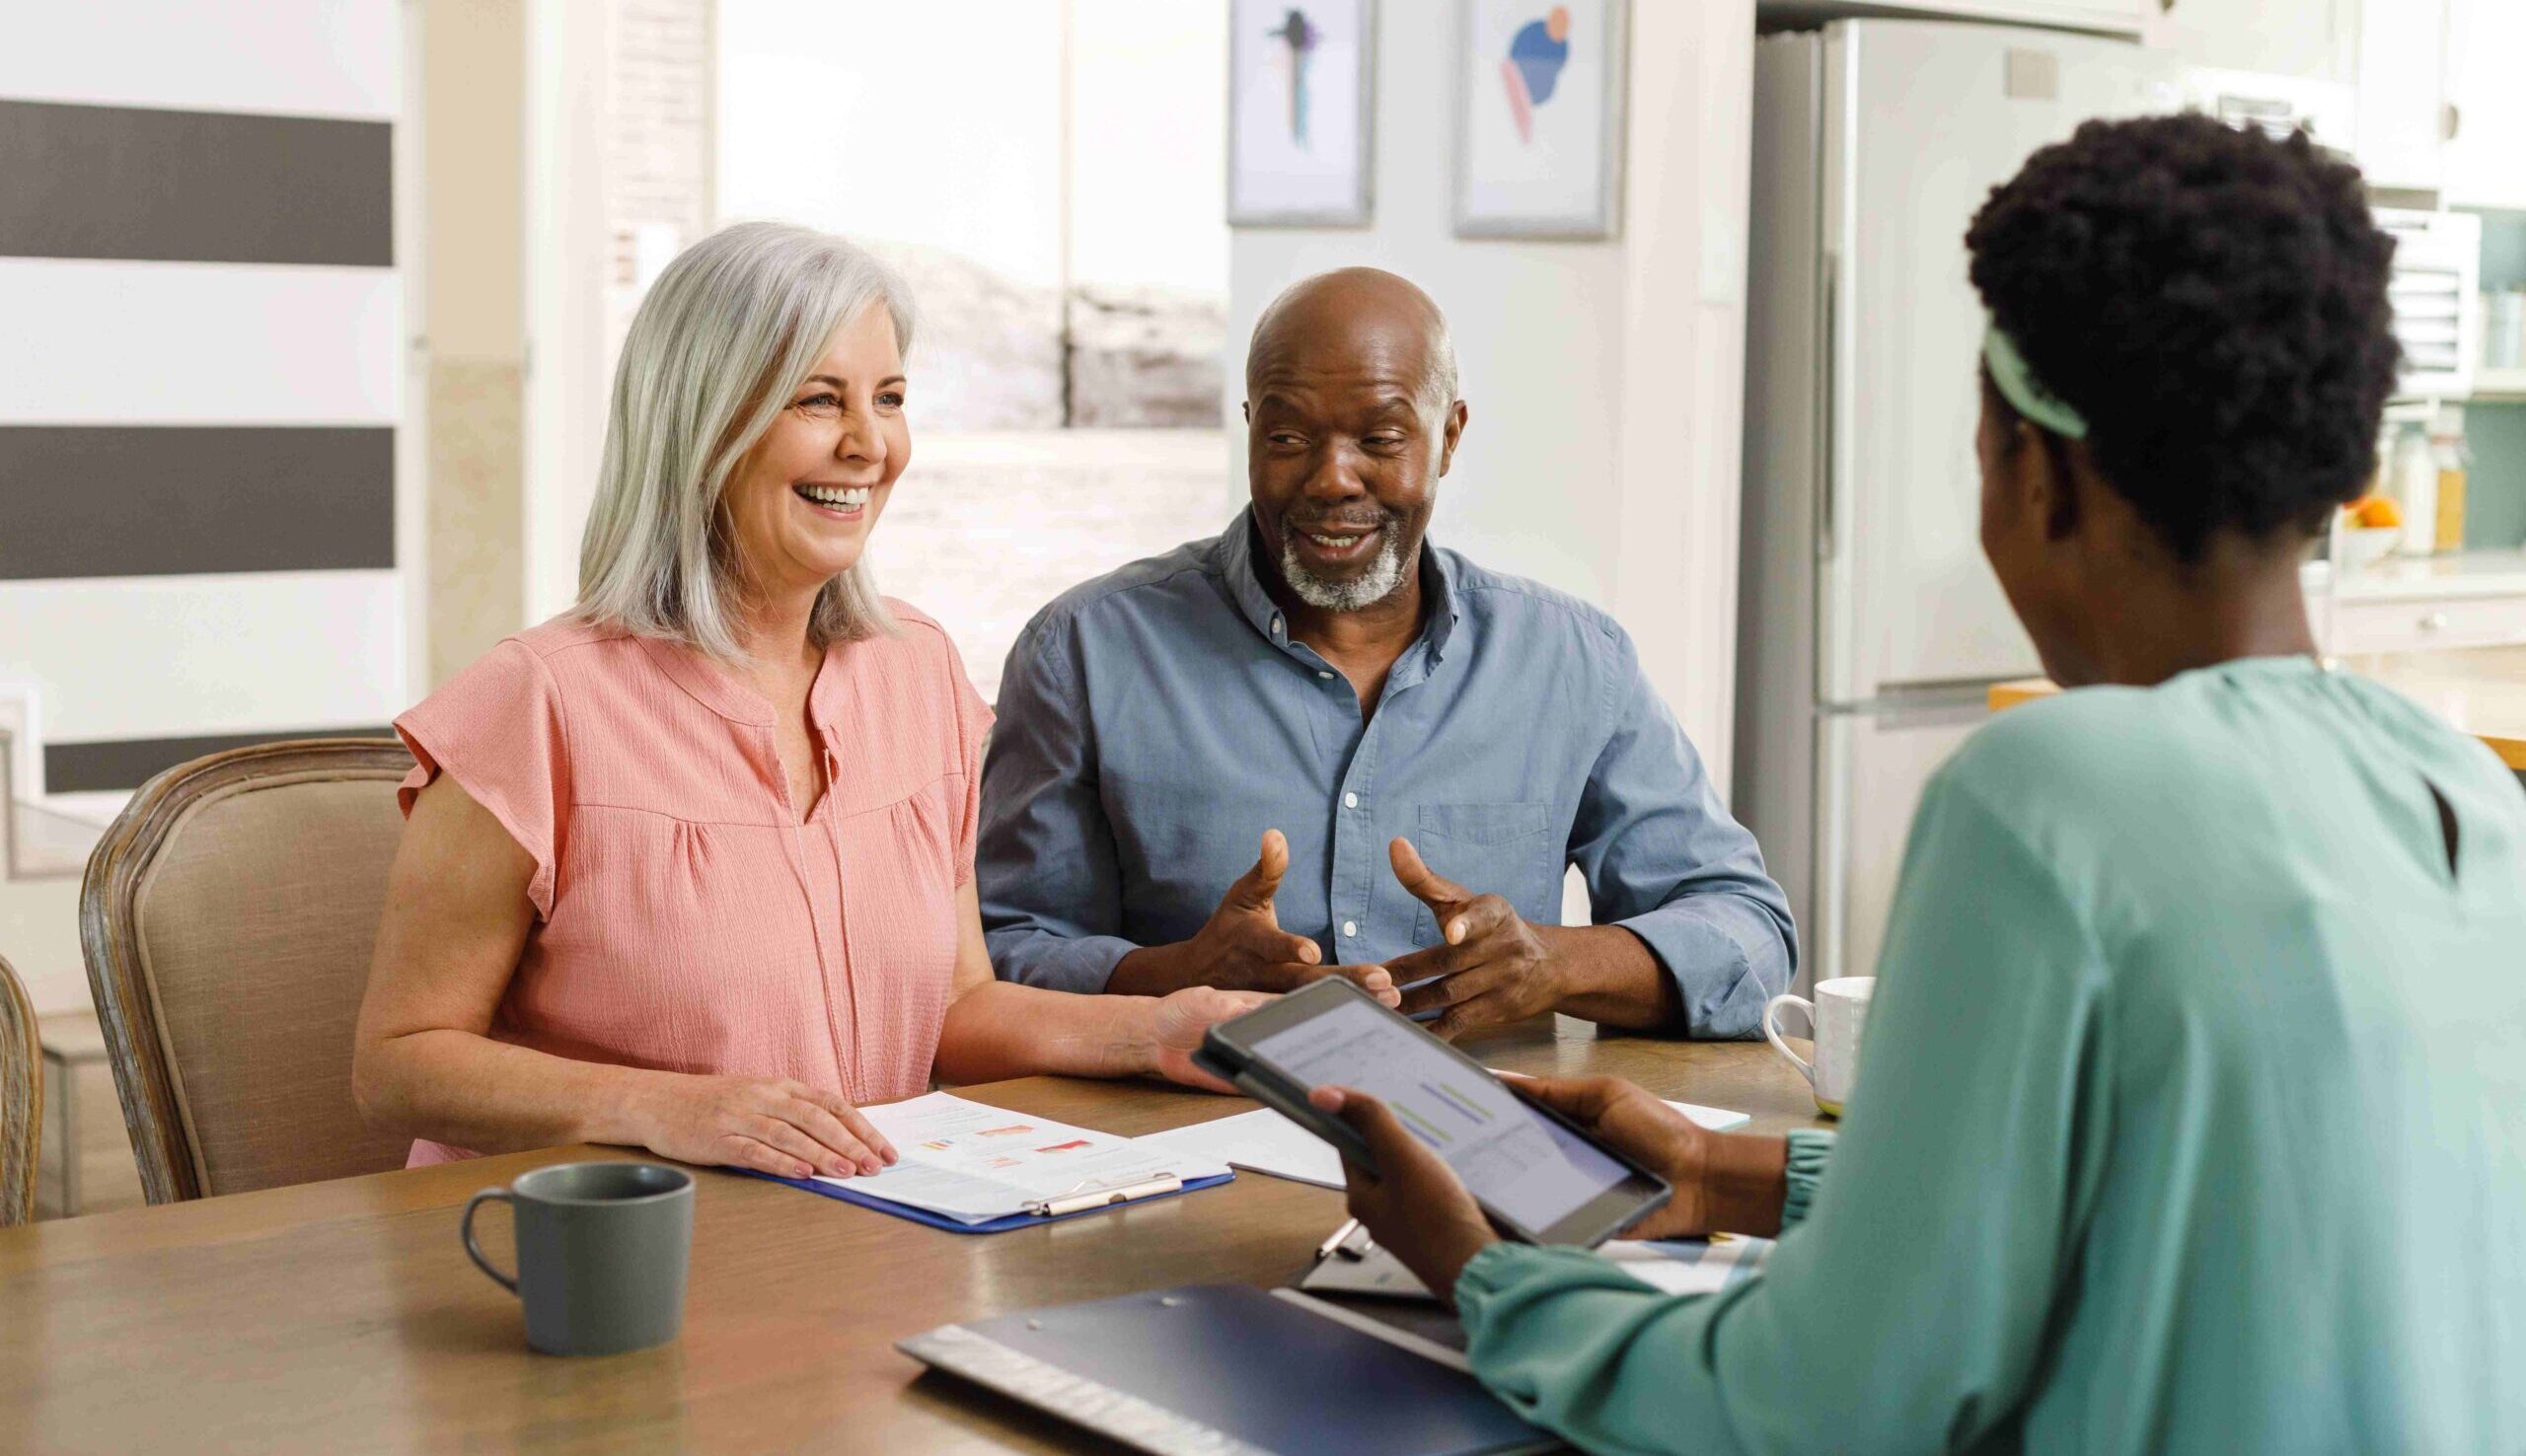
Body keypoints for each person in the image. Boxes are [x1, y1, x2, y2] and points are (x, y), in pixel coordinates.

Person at [1311, 115, 2526, 1452]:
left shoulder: (2052, 800)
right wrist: (1728, 1167)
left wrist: (1487, 1277)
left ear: (2039, 471)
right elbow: (2211, 1204)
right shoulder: (2460, 793)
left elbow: (1823, 1403)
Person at [351, 224, 1312, 1181]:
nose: (869, 445)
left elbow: (954, 1006)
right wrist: (658, 1107)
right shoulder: (536, 702)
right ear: (703, 423)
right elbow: (398, 1063)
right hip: (594, 1254)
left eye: (888, 399)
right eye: (819, 400)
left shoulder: (917, 670)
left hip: (859, 1229)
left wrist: (1156, 1031)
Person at [979, 268, 1795, 1040]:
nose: (1333, 479)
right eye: (1291, 435)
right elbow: (990, 955)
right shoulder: (1086, 652)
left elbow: (1746, 930)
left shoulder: (1573, 662)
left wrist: (1556, 964)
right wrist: (1167, 976)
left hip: (1486, 1140)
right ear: (1251, 430)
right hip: (1181, 1144)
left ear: (1448, 437)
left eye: (1380, 437)